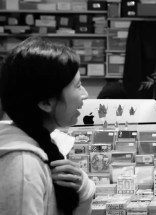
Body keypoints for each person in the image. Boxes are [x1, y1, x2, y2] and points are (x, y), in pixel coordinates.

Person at [0, 37, 95, 215]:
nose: (85, 94)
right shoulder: (23, 165)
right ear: (46, 103)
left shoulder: (43, 143)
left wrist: (84, 189)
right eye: (78, 86)